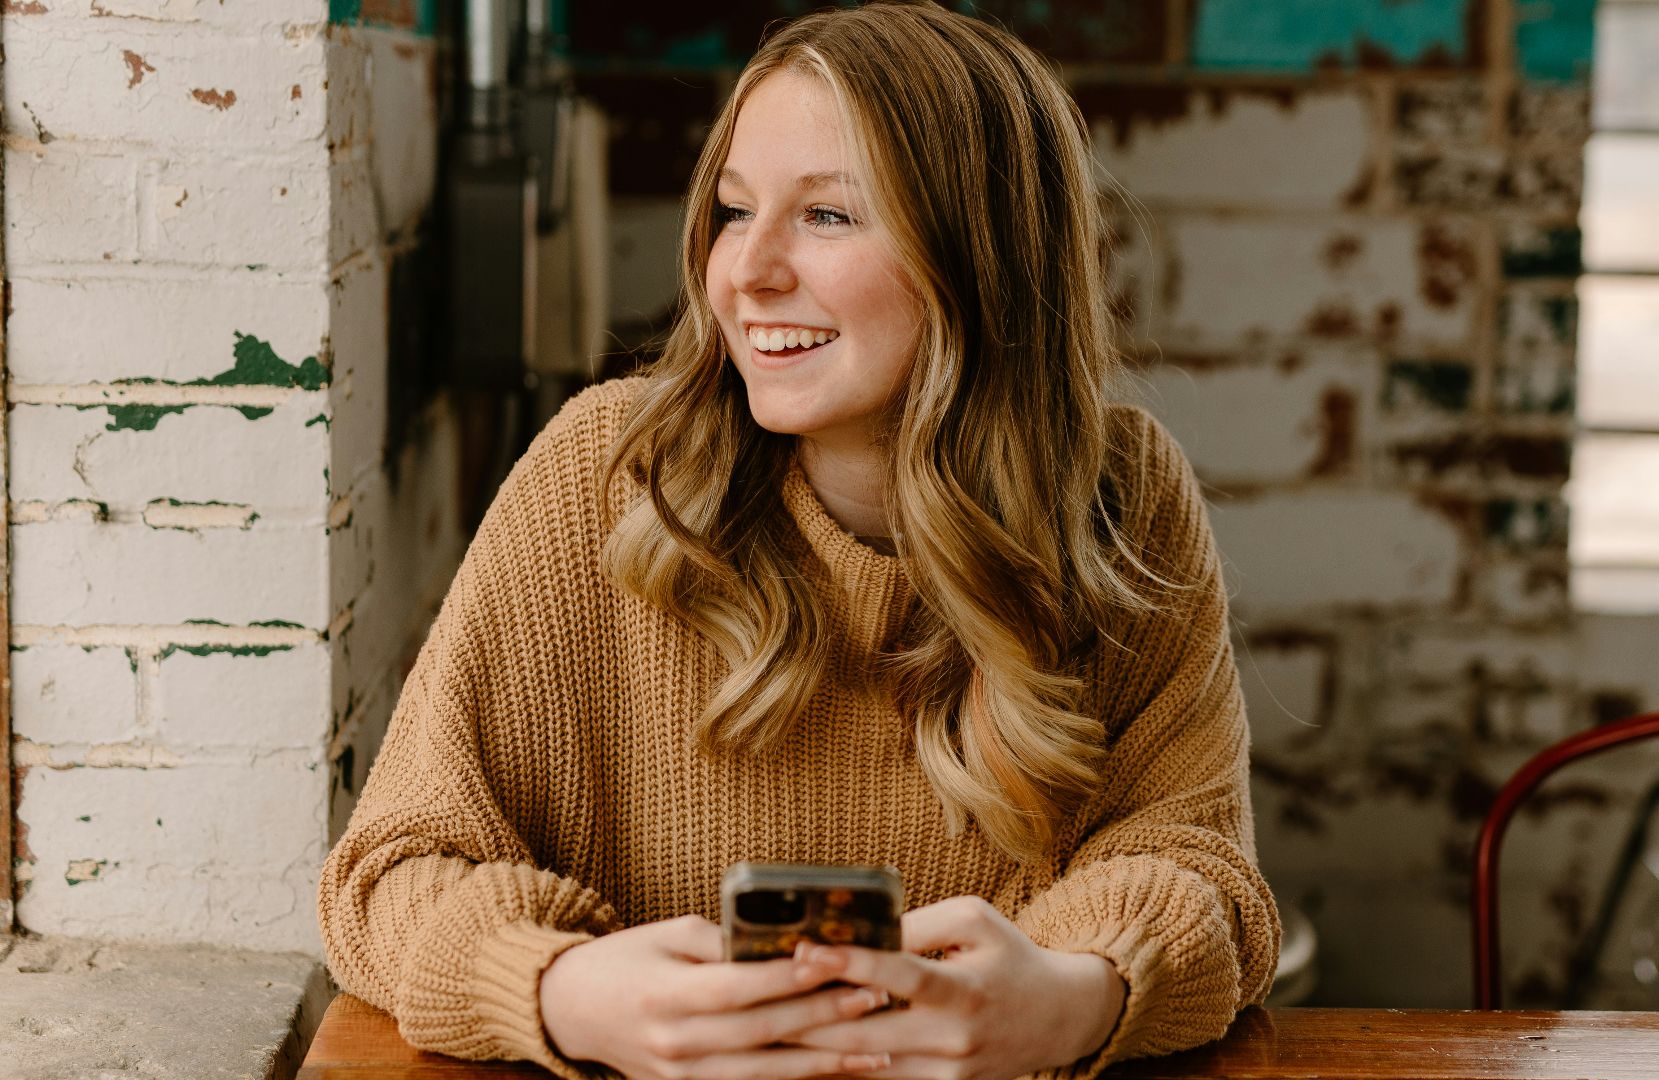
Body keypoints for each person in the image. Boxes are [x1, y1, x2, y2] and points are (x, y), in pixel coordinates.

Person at [316, 3, 1279, 1078]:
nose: (748, 271)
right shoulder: (603, 474)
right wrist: (561, 991)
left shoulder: (1125, 494)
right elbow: (388, 874)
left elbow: (1201, 871)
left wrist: (1075, 998)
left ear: (981, 255)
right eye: (733, 210)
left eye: (826, 217)